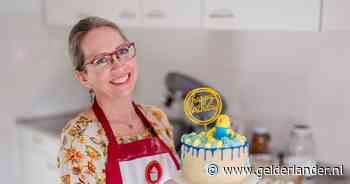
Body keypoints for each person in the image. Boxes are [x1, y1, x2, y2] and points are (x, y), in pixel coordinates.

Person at [57, 16, 180, 184]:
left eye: (122, 51)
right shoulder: (80, 136)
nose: (118, 65)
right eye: (101, 60)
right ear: (83, 77)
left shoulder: (157, 118)